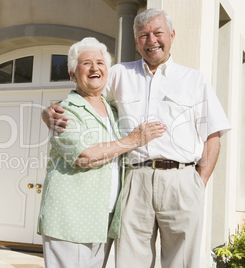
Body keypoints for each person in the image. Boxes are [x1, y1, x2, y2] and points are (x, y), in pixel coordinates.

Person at [43, 9, 231, 268]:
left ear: (172, 35)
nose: (151, 40)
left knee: (182, 262)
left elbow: (213, 134)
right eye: (143, 35)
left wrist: (200, 182)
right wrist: (50, 110)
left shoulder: (194, 80)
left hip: (182, 180)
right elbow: (86, 92)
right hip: (135, 180)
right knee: (131, 261)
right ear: (136, 41)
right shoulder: (120, 74)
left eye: (158, 33)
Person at [37, 37, 166, 268]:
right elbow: (84, 156)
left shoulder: (113, 109)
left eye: (100, 62)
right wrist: (133, 140)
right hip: (71, 217)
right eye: (86, 63)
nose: (94, 67)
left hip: (103, 218)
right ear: (72, 74)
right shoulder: (64, 111)